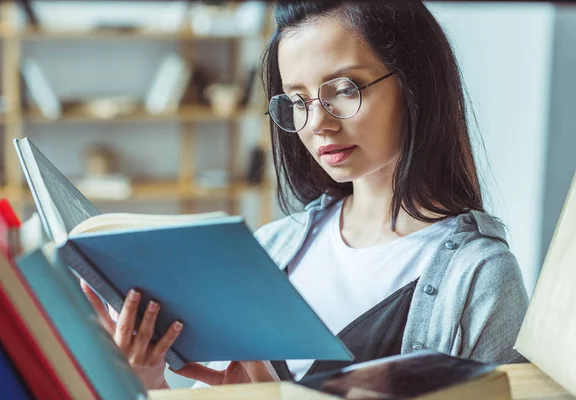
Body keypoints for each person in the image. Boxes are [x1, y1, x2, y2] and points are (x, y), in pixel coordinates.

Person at [82, 0, 529, 390]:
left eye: (343, 90)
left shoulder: (479, 278)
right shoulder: (274, 248)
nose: (317, 123)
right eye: (298, 100)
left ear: (416, 83)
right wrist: (147, 381)